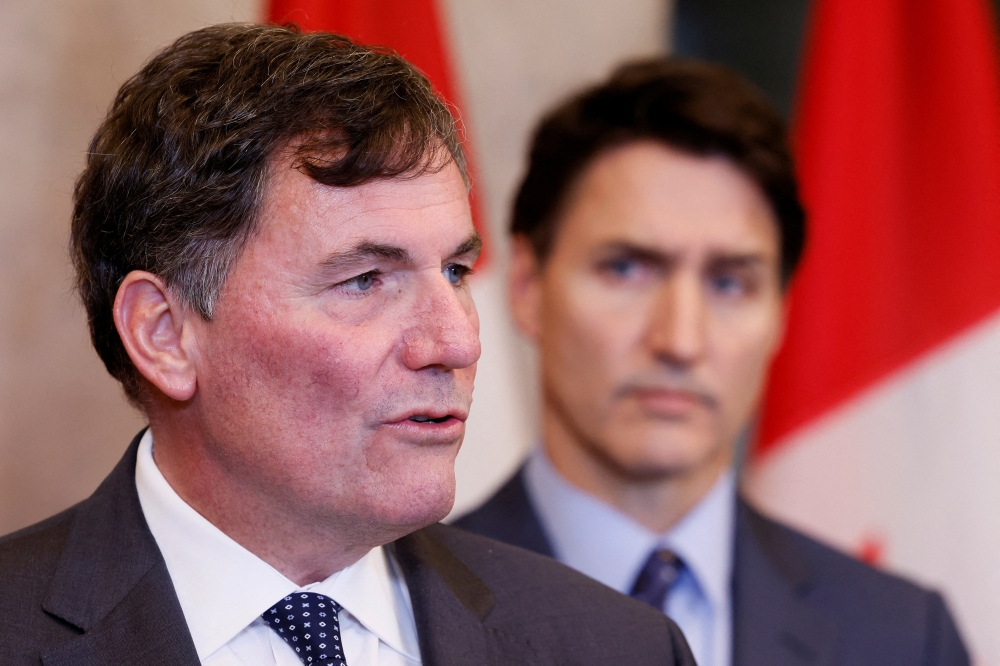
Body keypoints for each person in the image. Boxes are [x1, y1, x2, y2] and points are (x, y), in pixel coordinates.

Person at [0, 25, 697, 666]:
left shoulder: (615, 646)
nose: (457, 340)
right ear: (165, 335)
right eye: (365, 281)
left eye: (455, 271)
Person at [456, 57, 970, 666]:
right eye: (626, 268)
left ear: (781, 310)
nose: (681, 339)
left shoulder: (903, 638)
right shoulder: (397, 605)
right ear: (526, 286)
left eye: (730, 283)